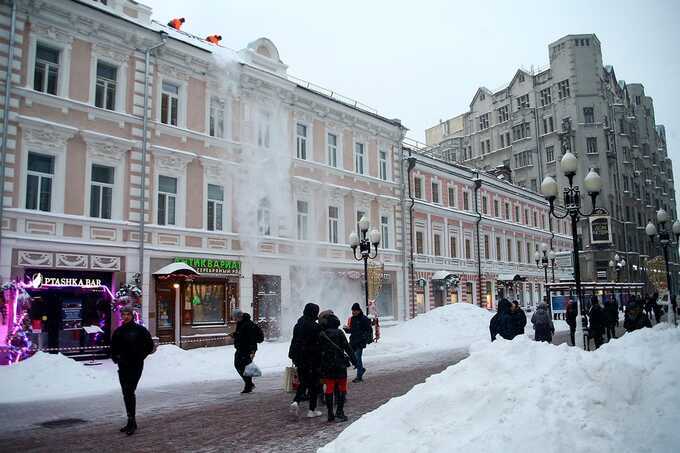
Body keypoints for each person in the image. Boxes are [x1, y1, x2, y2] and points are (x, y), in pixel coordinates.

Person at [110, 306, 154, 436]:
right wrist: (116, 358)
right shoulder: (118, 331)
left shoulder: (140, 330)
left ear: (132, 315)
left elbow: (149, 346)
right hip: (123, 365)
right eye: (123, 314)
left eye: (128, 314)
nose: (125, 316)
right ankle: (131, 420)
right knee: (126, 392)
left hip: (135, 365)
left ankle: (131, 421)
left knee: (129, 390)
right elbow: (113, 347)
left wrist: (140, 356)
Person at [319, 313, 357, 422]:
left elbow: (319, 351)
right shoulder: (340, 333)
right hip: (340, 364)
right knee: (342, 388)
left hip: (327, 366)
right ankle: (339, 411)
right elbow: (347, 348)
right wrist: (355, 361)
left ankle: (330, 412)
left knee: (329, 388)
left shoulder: (322, 334)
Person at [288, 303, 323, 418]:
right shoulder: (315, 327)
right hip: (312, 359)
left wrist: (292, 355)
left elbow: (294, 341)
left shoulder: (298, 324)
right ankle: (311, 410)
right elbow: (319, 344)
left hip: (299, 358)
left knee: (303, 382)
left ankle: (296, 401)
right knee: (313, 385)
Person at [232, 309, 264, 394]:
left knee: (243, 366)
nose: (234, 319)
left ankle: (248, 385)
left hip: (247, 349)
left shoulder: (248, 324)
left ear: (239, 316)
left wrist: (252, 351)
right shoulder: (241, 323)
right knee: (241, 366)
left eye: (235, 317)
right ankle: (249, 384)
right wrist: (235, 335)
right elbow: (241, 334)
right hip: (241, 348)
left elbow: (252, 338)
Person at [343, 303, 372, 383]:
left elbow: (368, 330)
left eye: (354, 310)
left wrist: (364, 338)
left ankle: (359, 376)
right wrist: (347, 330)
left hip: (360, 342)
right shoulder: (352, 319)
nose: (353, 312)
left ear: (358, 310)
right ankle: (361, 369)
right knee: (352, 357)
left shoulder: (364, 319)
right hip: (353, 341)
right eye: (352, 310)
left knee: (357, 358)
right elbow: (352, 330)